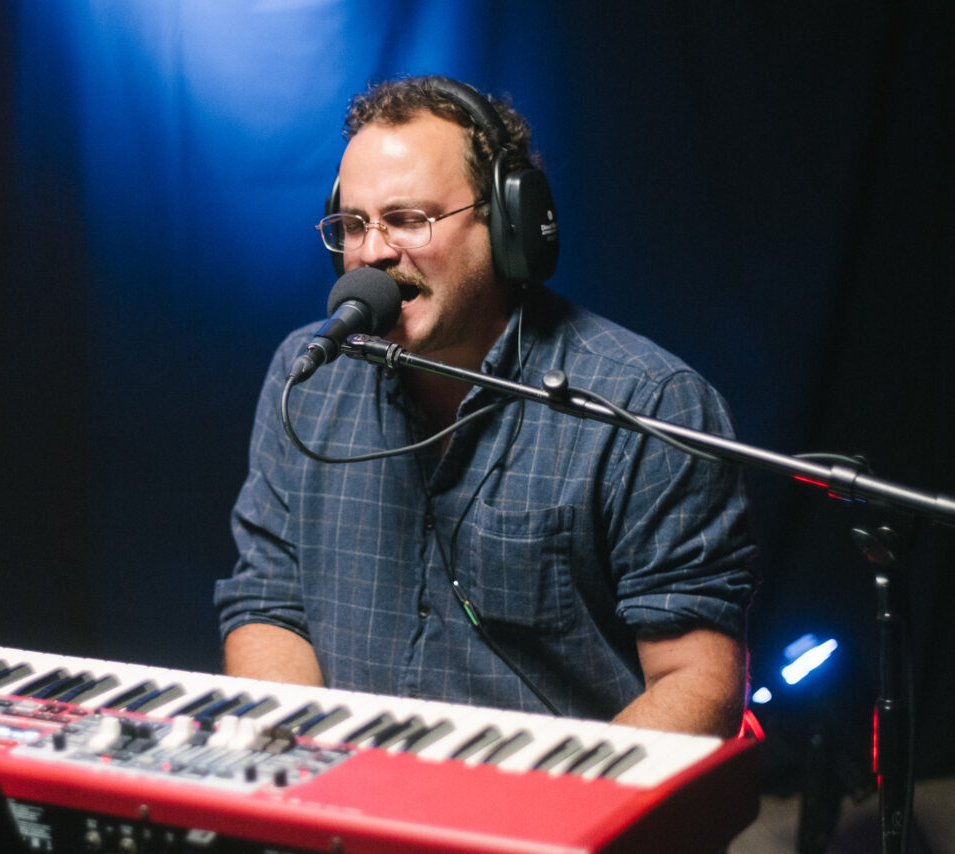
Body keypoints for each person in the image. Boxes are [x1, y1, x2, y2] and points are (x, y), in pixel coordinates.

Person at [214, 75, 756, 738]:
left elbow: (695, 682)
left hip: (559, 797)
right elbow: (267, 607)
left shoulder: (648, 405)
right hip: (349, 789)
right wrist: (318, 765)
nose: (374, 251)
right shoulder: (307, 377)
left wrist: (541, 799)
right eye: (354, 225)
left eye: (408, 220)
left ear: (508, 225)